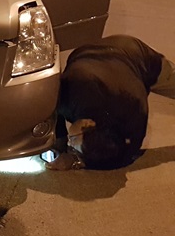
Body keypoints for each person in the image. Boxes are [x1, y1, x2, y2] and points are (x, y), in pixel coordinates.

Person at [45, 35, 175, 171]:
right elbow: (53, 112)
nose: (70, 142)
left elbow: (126, 155)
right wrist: (59, 145)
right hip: (106, 53)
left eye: (72, 141)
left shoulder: (133, 107)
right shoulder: (66, 93)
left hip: (138, 59)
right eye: (72, 142)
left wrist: (79, 161)